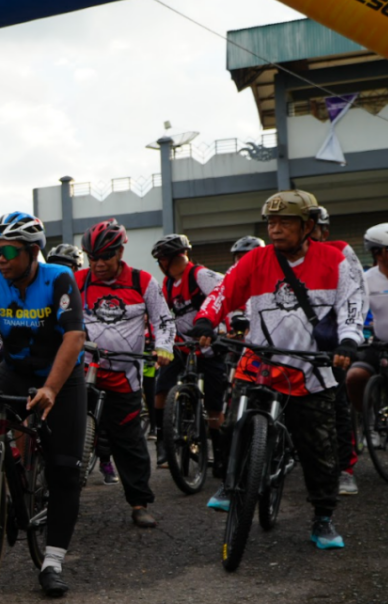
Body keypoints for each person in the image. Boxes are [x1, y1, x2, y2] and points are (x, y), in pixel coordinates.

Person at [192, 190, 362, 550]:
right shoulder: (254, 260)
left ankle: (323, 518)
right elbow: (222, 293)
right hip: (260, 363)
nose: (275, 229)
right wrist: (207, 321)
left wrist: (348, 342)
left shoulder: (336, 261)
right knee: (234, 419)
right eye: (271, 221)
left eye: (285, 222)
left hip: (312, 371)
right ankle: (232, 479)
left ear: (308, 226)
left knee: (320, 450)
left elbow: (352, 307)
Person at [0, 212, 87, 597]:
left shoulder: (58, 278)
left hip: (62, 374)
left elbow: (74, 338)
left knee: (63, 470)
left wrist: (53, 390)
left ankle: (52, 561)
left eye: (6, 251)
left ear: (32, 250)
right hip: (17, 370)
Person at [75, 222, 175, 527]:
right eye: (92, 257)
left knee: (129, 442)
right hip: (84, 369)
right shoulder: (77, 280)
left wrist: (164, 347)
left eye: (105, 256)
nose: (98, 264)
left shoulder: (142, 281)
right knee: (64, 431)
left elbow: (164, 320)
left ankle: (139, 503)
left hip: (124, 374)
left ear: (120, 251)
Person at [153, 234, 227, 471]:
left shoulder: (200, 275)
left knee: (215, 403)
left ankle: (220, 454)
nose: (160, 265)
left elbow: (226, 294)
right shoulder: (166, 285)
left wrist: (224, 329)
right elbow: (160, 316)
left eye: (161, 259)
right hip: (182, 346)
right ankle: (163, 442)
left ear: (171, 258)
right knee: (160, 389)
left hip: (211, 345)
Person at [312, 208, 369, 497]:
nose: (309, 234)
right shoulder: (283, 257)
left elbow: (358, 293)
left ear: (325, 231)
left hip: (333, 343)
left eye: (315, 228)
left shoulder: (340, 252)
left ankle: (346, 469)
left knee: (336, 405)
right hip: (295, 344)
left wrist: (350, 336)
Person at [345, 223, 388, 458]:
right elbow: (353, 313)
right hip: (382, 344)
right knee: (354, 377)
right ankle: (368, 422)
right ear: (379, 252)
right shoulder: (366, 280)